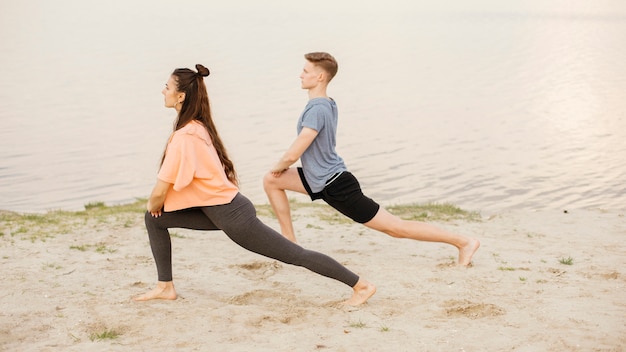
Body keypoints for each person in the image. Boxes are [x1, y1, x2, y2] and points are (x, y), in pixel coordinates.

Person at [133, 64, 375, 306]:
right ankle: (165, 287)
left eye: (167, 87)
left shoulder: (184, 136)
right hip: (219, 211)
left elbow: (160, 191)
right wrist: (156, 207)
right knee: (155, 219)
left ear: (181, 96)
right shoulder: (196, 127)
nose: (163, 91)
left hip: (232, 216)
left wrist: (154, 203)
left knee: (295, 255)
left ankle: (360, 286)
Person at [264, 52, 480, 266]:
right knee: (272, 181)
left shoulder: (318, 108)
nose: (300, 75)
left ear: (320, 77)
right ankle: (289, 242)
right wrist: (277, 172)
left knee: (395, 228)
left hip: (335, 184)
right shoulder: (326, 103)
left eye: (305, 71)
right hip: (318, 178)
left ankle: (463, 242)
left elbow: (294, 153)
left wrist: (279, 165)